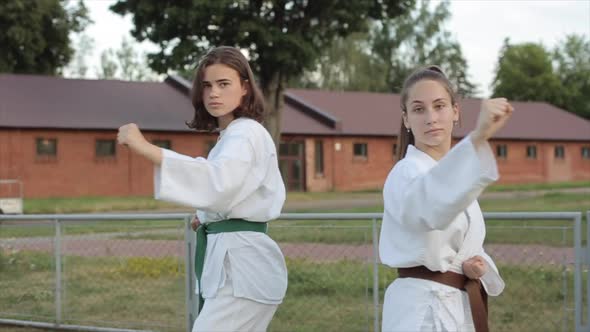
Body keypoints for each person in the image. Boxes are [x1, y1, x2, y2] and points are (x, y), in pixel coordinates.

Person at [117, 46, 288, 332]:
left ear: (245, 87)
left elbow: (217, 182)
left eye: (224, 84)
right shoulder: (232, 135)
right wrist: (209, 216)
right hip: (237, 267)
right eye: (207, 85)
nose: (214, 93)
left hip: (243, 270)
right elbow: (231, 189)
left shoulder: (246, 133)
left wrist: (144, 147)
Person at [379, 65, 511, 332]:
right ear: (406, 119)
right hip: (421, 312)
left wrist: (473, 266)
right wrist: (478, 137)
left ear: (455, 111)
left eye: (439, 106)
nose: (431, 118)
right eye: (419, 109)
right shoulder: (406, 174)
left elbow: (459, 246)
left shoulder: (450, 179)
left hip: (456, 306)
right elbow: (429, 209)